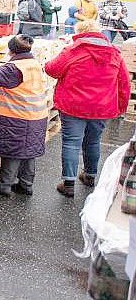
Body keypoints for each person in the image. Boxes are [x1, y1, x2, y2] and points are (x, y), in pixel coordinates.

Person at [46, 20, 130, 198]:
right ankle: (90, 175)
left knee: (71, 142)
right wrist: (121, 107)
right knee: (93, 141)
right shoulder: (114, 53)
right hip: (101, 107)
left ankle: (68, 183)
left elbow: (52, 70)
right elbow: (124, 83)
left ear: (80, 32)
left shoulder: (73, 50)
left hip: (73, 105)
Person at [0, 35, 48, 197]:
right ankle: (26, 185)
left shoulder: (14, 68)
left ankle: (4, 186)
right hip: (37, 116)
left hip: (17, 116)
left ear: (11, 50)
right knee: (29, 152)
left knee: (13, 152)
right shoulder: (33, 63)